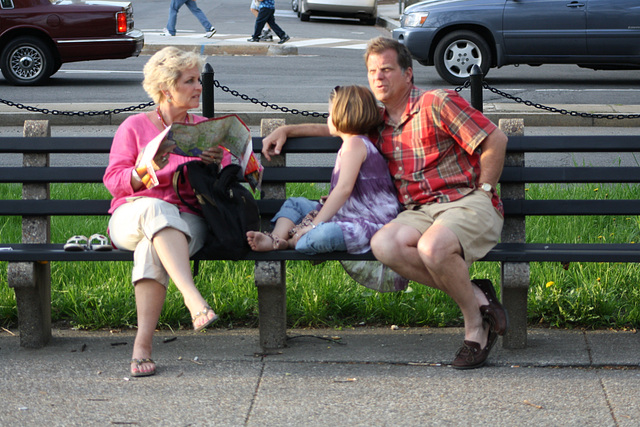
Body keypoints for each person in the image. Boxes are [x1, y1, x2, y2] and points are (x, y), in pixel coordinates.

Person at [261, 36, 509, 370]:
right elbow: (339, 127)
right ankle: (477, 295)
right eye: (373, 71)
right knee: (384, 245)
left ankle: (475, 326)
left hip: (466, 201)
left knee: (432, 249)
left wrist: (485, 188)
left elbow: (495, 138)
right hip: (420, 211)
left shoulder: (437, 102)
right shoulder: (377, 122)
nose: (379, 77)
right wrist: (288, 129)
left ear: (408, 74)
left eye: (387, 69)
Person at [103, 47, 231, 378]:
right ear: (166, 87)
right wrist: (146, 170)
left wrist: (219, 162)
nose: (197, 87)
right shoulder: (134, 127)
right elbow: (114, 182)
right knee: (154, 208)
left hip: (188, 219)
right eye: (189, 81)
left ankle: (141, 347)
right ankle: (193, 299)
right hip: (133, 215)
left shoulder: (205, 129)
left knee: (152, 248)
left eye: (197, 80)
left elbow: (231, 174)